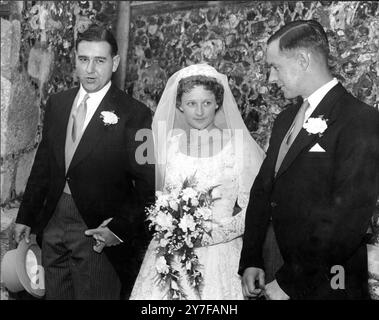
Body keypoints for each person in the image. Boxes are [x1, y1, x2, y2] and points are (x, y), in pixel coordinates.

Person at [239, 20, 379, 300]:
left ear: (303, 59)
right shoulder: (285, 120)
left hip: (329, 282)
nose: (271, 79)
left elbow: (347, 219)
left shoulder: (361, 120)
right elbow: (263, 189)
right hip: (280, 266)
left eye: (275, 67)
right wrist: (252, 258)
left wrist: (290, 281)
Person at [13, 24, 155, 299]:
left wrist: (119, 229)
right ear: (75, 61)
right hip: (53, 223)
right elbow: (44, 164)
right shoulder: (58, 103)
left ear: (114, 63)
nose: (90, 69)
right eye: (83, 59)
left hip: (97, 232)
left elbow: (149, 187)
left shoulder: (136, 115)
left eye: (100, 60)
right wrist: (26, 216)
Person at [129, 63, 265, 299]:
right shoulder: (168, 145)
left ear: (218, 103)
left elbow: (254, 209)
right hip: (169, 254)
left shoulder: (238, 146)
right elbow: (154, 197)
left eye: (207, 103)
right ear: (179, 105)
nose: (200, 111)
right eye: (191, 103)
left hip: (220, 255)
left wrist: (209, 235)